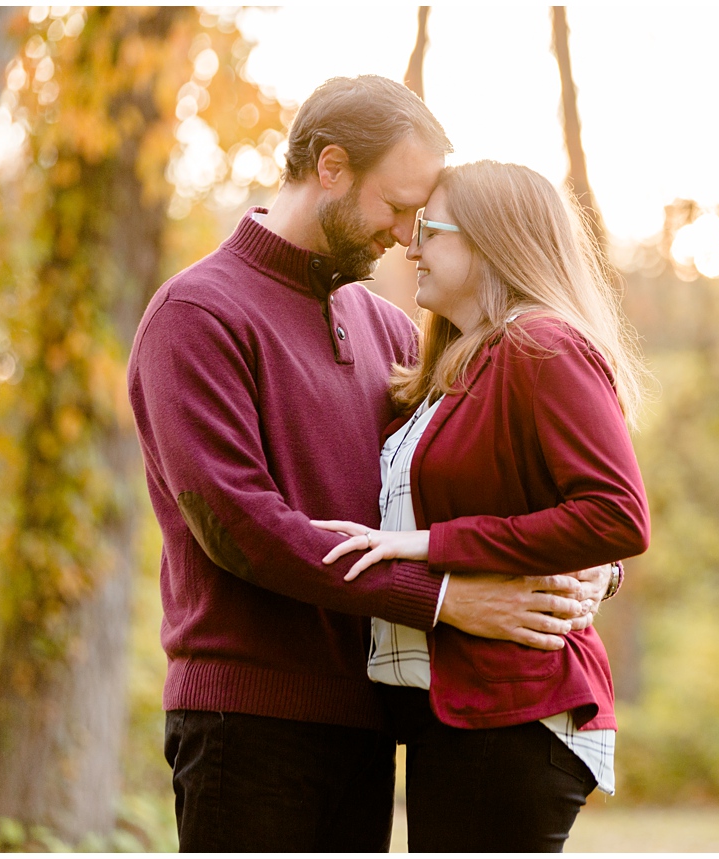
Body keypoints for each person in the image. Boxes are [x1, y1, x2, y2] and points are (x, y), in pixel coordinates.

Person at [127, 76, 609, 852]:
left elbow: (478, 475)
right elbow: (241, 526)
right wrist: (443, 599)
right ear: (331, 167)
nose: (405, 235)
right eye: (395, 206)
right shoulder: (198, 314)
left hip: (371, 719)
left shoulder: (388, 329)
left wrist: (589, 564)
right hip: (248, 721)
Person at [311, 160, 651, 851]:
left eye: (430, 231)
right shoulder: (458, 362)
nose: (410, 247)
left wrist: (434, 545)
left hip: (515, 708)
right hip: (453, 713)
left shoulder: (544, 347)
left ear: (492, 239)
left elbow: (617, 514)